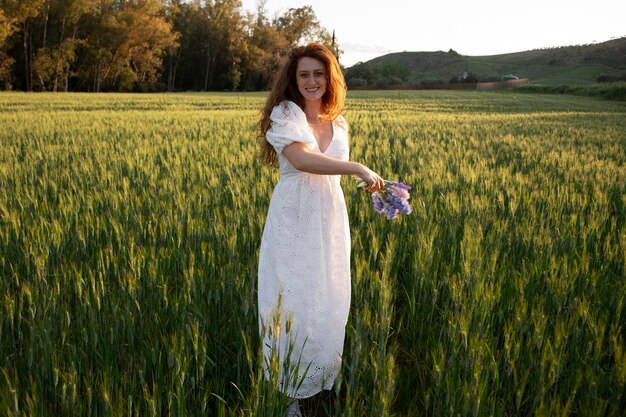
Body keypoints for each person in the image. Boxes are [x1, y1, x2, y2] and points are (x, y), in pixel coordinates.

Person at [257, 42, 383, 417]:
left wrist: (374, 186)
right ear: (294, 81)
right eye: (304, 74)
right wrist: (358, 168)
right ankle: (285, 394)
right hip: (293, 219)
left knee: (326, 298)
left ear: (330, 78)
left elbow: (329, 171)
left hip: (329, 220)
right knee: (289, 301)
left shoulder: (339, 122)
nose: (312, 81)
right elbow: (300, 159)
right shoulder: (285, 113)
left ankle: (318, 378)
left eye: (318, 73)